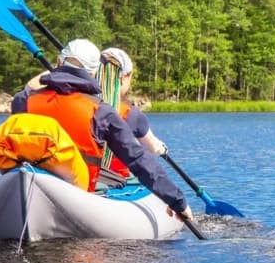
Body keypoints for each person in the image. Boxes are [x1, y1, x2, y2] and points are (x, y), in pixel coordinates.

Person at [10, 38, 193, 222]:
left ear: (58, 62)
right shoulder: (102, 112)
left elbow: (33, 86)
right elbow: (138, 159)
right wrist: (178, 202)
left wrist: (59, 70)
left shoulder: (23, 100)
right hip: (80, 189)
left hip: (34, 178)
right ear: (94, 72)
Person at [98, 47, 166, 179]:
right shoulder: (132, 115)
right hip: (116, 179)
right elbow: (153, 148)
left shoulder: (84, 102)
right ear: (124, 77)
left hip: (80, 177)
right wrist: (162, 149)